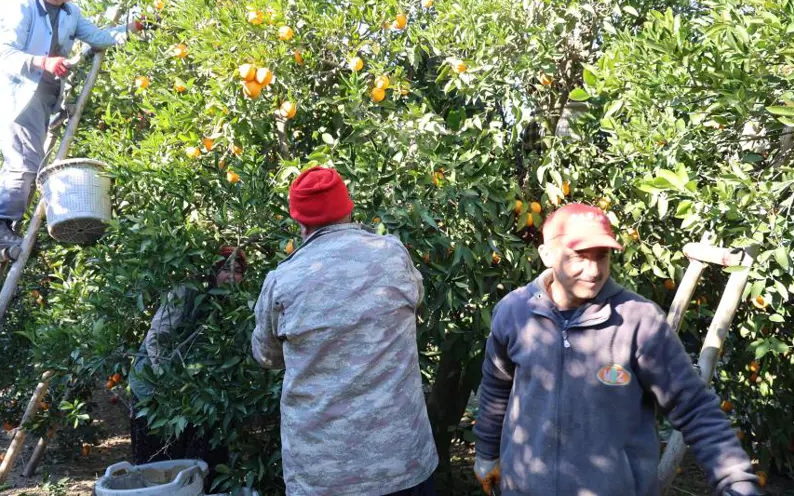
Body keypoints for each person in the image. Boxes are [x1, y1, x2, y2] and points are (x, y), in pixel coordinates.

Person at [473, 203, 762, 496]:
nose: (594, 270)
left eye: (603, 256)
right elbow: (496, 386)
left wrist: (736, 481)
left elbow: (694, 407)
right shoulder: (515, 312)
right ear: (547, 254)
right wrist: (485, 452)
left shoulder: (639, 321)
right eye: (579, 256)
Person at [252, 167, 438, 496]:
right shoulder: (393, 255)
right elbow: (415, 307)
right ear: (349, 209)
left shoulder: (283, 281)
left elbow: (267, 356)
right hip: (401, 462)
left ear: (299, 222)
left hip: (323, 474)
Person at [0, 0, 144, 254]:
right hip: (21, 98)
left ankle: (2, 227)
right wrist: (43, 62)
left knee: (31, 163)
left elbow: (100, 38)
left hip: (49, 100)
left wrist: (132, 30)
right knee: (23, 162)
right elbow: (5, 54)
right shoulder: (24, 7)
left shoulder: (70, 13)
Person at [128, 246, 247, 479]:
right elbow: (156, 339)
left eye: (238, 271)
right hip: (153, 387)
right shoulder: (186, 290)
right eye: (225, 269)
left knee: (198, 460)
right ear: (212, 271)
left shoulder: (230, 303)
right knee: (158, 465)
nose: (232, 276)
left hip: (190, 391)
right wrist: (168, 384)